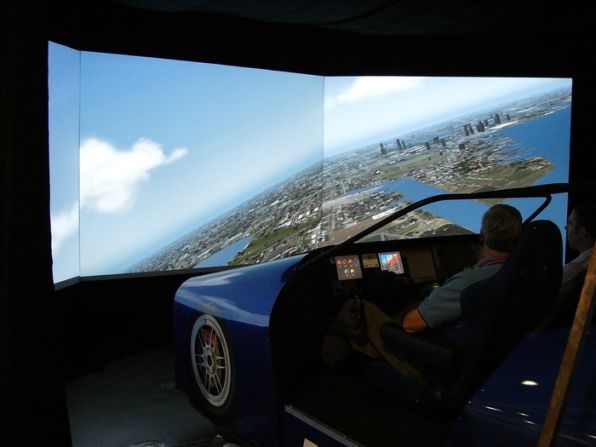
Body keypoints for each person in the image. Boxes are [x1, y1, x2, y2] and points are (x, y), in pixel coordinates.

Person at [321, 204, 523, 385]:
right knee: (413, 303)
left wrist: (437, 296)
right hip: (483, 354)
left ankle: (332, 377)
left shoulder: (471, 282)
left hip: (436, 360)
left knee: (354, 307)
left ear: (482, 235)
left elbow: (411, 324)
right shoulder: (517, 273)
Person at [559, 203, 596, 300]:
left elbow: (550, 288)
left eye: (570, 223)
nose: (566, 227)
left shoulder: (581, 265)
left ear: (582, 233)